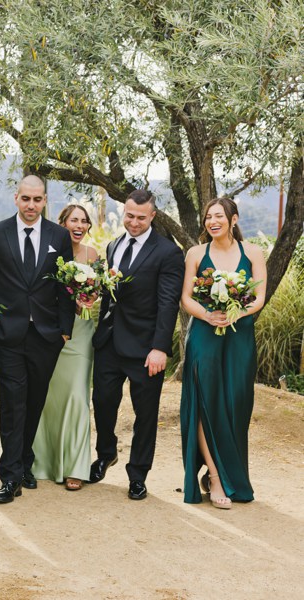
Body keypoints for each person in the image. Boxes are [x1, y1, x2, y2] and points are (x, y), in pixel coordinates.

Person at [0, 175, 74, 504]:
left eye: (37, 200)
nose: (31, 205)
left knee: (34, 402)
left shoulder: (59, 235)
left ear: (45, 200)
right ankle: (9, 477)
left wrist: (65, 329)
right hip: (7, 334)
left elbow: (66, 286)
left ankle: (24, 462)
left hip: (46, 335)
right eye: (26, 199)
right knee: (12, 403)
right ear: (15, 198)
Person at [89, 189, 184, 500]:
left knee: (145, 413)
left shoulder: (167, 252)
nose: (133, 222)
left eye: (141, 218)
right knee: (102, 402)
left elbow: (168, 302)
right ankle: (106, 453)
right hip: (109, 342)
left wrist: (160, 347)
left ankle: (138, 474)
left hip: (146, 349)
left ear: (153, 216)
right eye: (129, 215)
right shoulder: (113, 245)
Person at [179, 197, 265, 508]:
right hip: (205, 334)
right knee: (204, 402)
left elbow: (259, 298)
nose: (212, 221)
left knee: (236, 404)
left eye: (218, 216)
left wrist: (238, 313)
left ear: (234, 219)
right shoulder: (195, 253)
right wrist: (206, 315)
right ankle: (215, 478)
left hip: (239, 335)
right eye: (208, 217)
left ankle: (234, 474)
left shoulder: (253, 253)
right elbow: (186, 297)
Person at [31, 204, 98, 491]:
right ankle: (42, 461)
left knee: (77, 395)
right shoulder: (48, 249)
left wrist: (89, 299)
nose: (79, 225)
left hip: (81, 331)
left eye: (84, 221)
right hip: (51, 331)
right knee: (47, 396)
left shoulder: (92, 255)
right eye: (74, 220)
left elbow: (99, 291)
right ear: (62, 223)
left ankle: (75, 465)